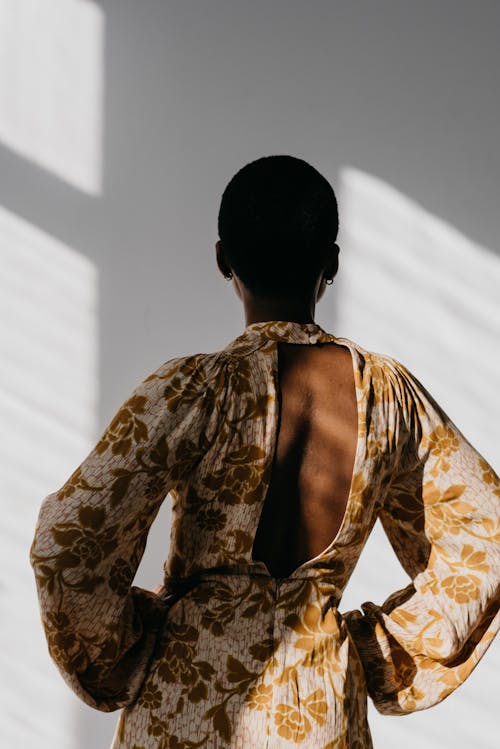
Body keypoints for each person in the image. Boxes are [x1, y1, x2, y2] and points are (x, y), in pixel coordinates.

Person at [30, 155, 500, 748]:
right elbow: (487, 535)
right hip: (321, 705)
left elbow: (67, 540)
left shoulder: (193, 391)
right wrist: (378, 659)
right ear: (331, 264)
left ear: (223, 258)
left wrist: (125, 651)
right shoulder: (387, 397)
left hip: (184, 699)